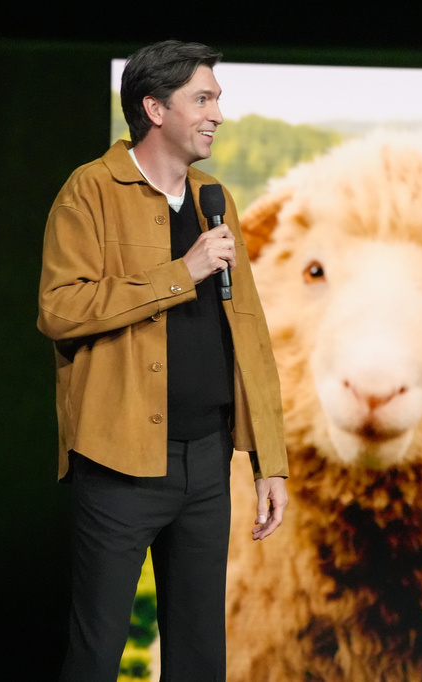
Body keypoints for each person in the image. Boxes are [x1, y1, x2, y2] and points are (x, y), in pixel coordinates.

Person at [37, 40, 288, 681]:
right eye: (202, 99)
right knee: (96, 654)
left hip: (206, 462)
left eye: (217, 99)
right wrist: (181, 273)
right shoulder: (89, 190)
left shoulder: (214, 198)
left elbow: (250, 334)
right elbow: (60, 310)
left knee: (201, 656)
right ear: (153, 107)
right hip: (119, 461)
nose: (218, 114)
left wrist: (270, 462)